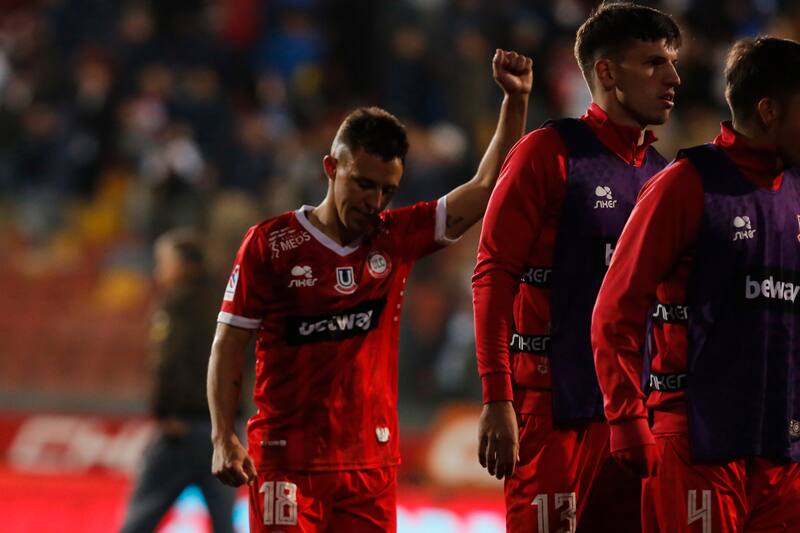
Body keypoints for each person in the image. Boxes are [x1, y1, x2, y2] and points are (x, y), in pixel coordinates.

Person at [207, 49, 532, 533]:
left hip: (369, 465)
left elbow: (486, 187)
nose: (375, 201)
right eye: (363, 184)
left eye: (387, 189)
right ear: (330, 168)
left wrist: (515, 101)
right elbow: (229, 343)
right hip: (285, 460)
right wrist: (221, 435)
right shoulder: (271, 244)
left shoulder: (394, 237)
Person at [471, 3, 681, 532]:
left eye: (672, 62)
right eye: (654, 62)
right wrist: (498, 397)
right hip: (549, 411)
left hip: (633, 417)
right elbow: (493, 276)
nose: (673, 78)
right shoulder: (547, 153)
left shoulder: (663, 176)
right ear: (606, 73)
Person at [592, 36, 800, 533]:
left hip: (782, 451)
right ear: (769, 110)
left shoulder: (797, 189)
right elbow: (614, 310)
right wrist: (625, 418)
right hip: (697, 443)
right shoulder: (686, 183)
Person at [120, 229, 237, 533]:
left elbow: (168, 363)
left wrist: (166, 413)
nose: (159, 271)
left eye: (163, 262)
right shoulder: (229, 302)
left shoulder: (177, 305)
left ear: (185, 264)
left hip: (183, 429)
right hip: (225, 431)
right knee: (224, 522)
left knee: (140, 518)